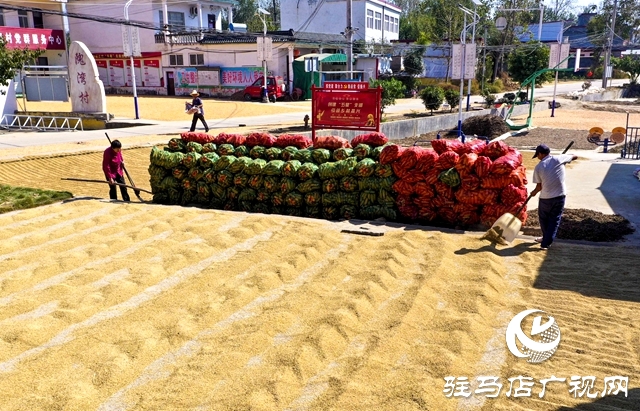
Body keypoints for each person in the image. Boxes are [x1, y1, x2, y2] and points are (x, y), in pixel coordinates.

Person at [530, 144, 578, 249]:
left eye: (537, 155)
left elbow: (539, 187)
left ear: (541, 154)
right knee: (553, 220)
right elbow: (575, 156)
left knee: (544, 220)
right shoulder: (559, 158)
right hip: (560, 196)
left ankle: (545, 244)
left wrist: (533, 192)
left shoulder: (539, 167)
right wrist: (564, 160)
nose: (538, 157)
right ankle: (546, 238)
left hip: (545, 198)